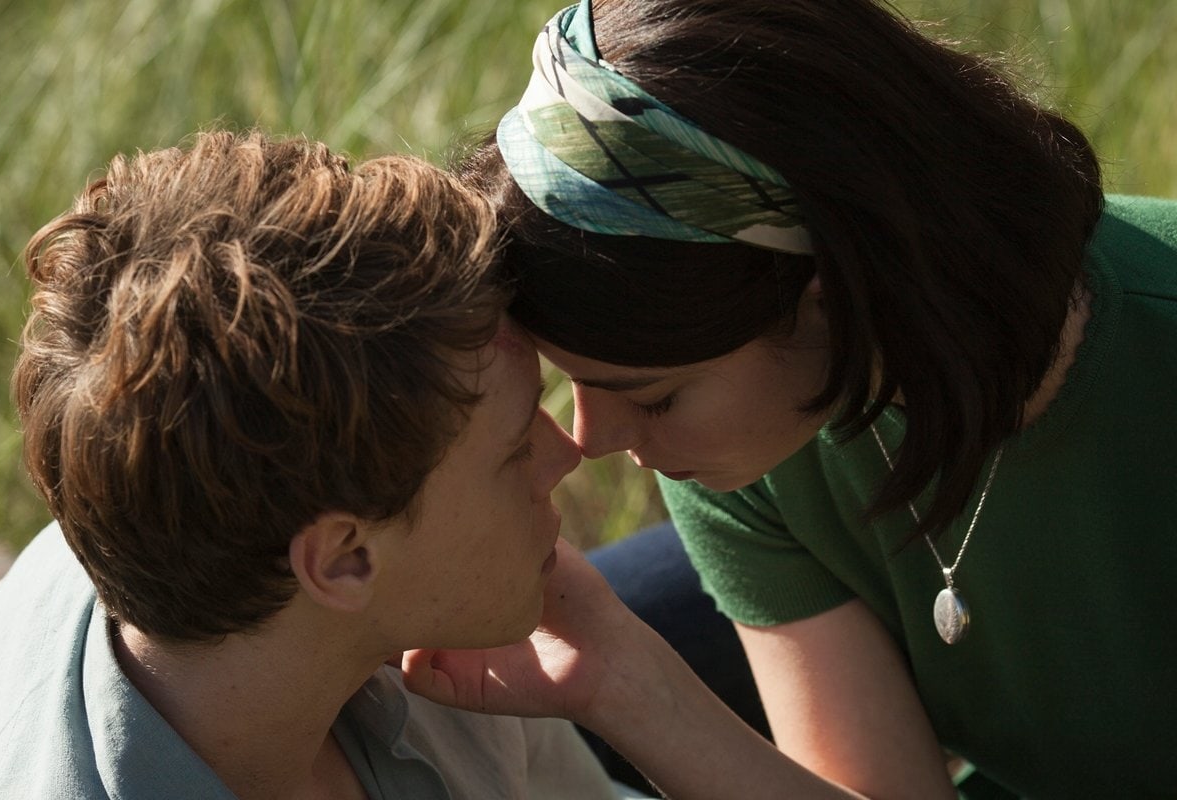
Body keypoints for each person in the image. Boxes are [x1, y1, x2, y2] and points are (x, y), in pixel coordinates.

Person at [402, 1, 1177, 798]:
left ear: (834, 304)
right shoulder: (754, 443)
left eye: (656, 399)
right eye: (576, 384)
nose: (588, 441)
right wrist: (622, 682)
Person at [0, 129, 642, 800]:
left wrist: (629, 685)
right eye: (516, 449)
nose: (569, 454)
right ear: (344, 559)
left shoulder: (201, 507)